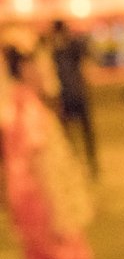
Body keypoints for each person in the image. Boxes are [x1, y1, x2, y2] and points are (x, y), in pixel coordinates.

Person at [0, 44, 94, 259]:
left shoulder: (16, 103)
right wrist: (62, 214)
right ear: (26, 69)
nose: (47, 72)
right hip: (38, 196)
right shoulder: (30, 110)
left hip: (24, 198)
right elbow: (41, 164)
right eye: (41, 65)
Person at [50, 20, 98, 177]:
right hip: (71, 94)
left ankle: (91, 163)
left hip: (73, 94)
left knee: (84, 133)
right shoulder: (54, 50)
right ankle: (78, 164)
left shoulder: (69, 46)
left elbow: (86, 52)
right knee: (71, 135)